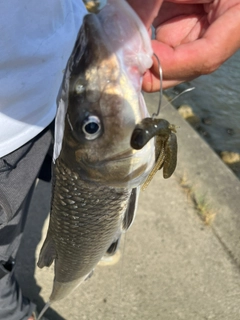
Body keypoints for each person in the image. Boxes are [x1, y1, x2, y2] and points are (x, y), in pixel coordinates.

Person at [0, 0, 239, 319]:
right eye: (94, 126)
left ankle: (93, 249)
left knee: (56, 175)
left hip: (54, 73)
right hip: (9, 125)